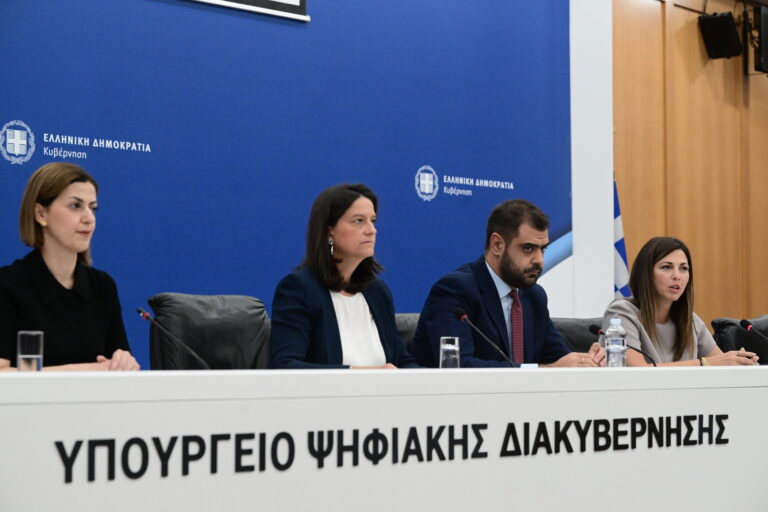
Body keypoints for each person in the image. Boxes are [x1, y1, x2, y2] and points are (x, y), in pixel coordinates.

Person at [412, 199, 605, 368]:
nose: (539, 260)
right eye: (528, 248)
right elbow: (459, 366)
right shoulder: (455, 290)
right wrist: (544, 369)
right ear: (497, 244)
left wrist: (585, 361)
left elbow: (558, 358)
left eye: (543, 249)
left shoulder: (534, 296)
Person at [0, 162, 139, 371]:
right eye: (75, 206)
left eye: (93, 208)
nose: (89, 219)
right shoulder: (8, 285)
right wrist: (92, 370)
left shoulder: (102, 286)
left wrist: (124, 363)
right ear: (40, 214)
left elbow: (118, 366)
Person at [269, 184, 418, 369]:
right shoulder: (300, 289)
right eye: (358, 221)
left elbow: (403, 362)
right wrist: (369, 374)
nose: (372, 230)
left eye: (373, 220)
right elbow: (285, 366)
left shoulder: (377, 291)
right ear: (329, 231)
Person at [602, 236, 758, 366]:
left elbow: (721, 363)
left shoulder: (691, 321)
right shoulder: (621, 312)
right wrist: (704, 363)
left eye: (683, 268)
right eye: (666, 267)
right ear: (646, 274)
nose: (677, 275)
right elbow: (638, 372)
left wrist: (739, 362)